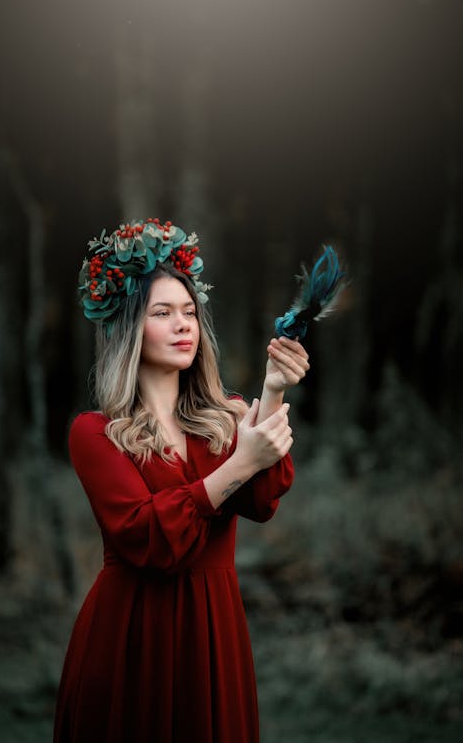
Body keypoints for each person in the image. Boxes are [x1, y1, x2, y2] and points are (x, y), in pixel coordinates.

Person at [53, 218, 310, 743]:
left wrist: (275, 388)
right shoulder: (96, 433)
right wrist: (240, 463)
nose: (183, 325)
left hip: (214, 632)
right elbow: (149, 539)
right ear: (128, 327)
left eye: (190, 312)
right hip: (130, 635)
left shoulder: (227, 417)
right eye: (163, 313)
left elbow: (262, 502)